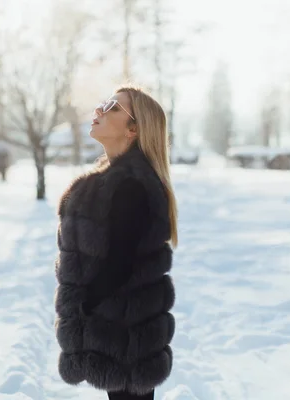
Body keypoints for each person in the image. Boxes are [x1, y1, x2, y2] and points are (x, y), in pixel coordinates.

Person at [53, 85, 178, 399]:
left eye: (112, 107)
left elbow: (120, 264)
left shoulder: (131, 184)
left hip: (125, 334)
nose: (99, 110)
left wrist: (85, 303)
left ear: (133, 129)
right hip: (118, 330)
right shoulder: (112, 179)